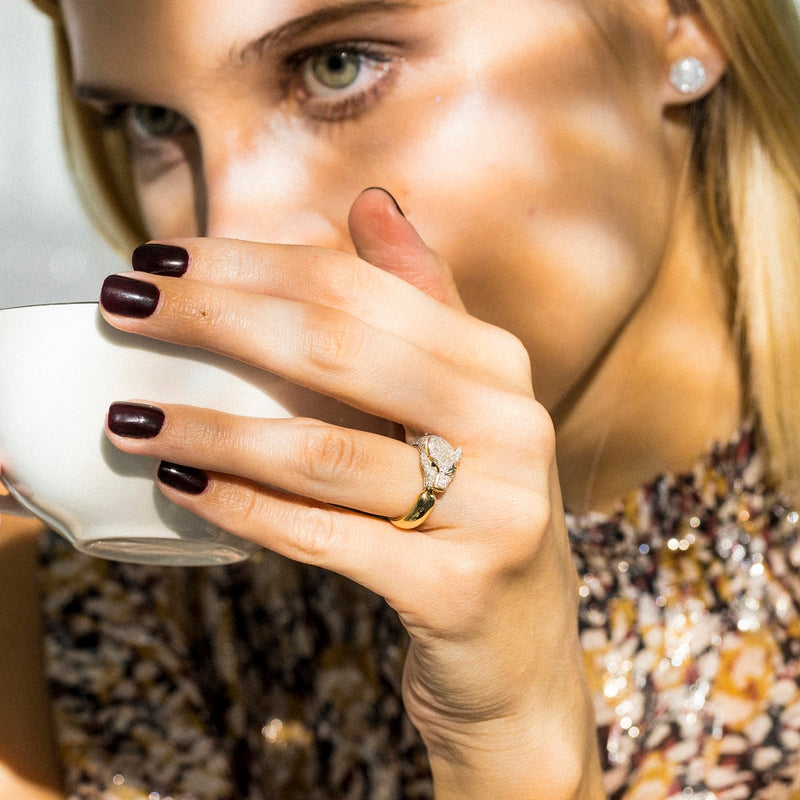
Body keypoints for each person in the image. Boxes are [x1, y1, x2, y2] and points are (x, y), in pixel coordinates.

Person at [2, 0, 800, 797]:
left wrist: (512, 737)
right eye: (150, 118)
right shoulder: (55, 634)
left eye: (337, 66)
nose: (232, 229)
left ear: (685, 20)